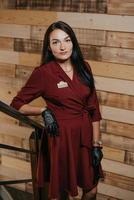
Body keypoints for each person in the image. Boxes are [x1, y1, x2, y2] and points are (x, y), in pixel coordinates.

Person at [10, 21, 103, 200]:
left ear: (73, 42)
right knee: (60, 194)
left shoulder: (85, 67)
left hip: (85, 138)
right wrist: (43, 111)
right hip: (61, 139)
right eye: (56, 42)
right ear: (49, 47)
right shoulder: (44, 73)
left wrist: (96, 144)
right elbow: (17, 103)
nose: (62, 47)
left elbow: (94, 110)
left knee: (91, 190)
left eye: (66, 40)